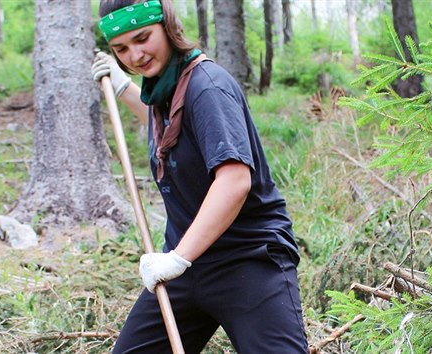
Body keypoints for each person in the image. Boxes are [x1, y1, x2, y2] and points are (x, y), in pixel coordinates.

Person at [91, 1, 309, 353]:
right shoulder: (165, 88)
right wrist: (121, 87)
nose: (135, 55)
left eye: (143, 38)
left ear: (167, 26)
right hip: (188, 264)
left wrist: (176, 259)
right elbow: (174, 126)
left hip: (248, 259)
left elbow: (234, 180)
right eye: (121, 49)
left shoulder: (207, 86)